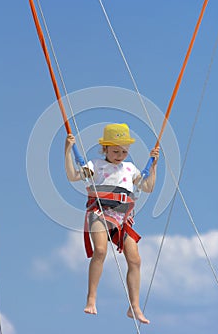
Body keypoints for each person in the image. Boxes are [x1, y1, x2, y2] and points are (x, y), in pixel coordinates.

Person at [65, 123, 159, 324]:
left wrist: (153, 166)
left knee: (135, 260)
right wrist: (67, 151)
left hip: (122, 219)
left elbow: (148, 187)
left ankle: (134, 307)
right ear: (105, 148)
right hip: (99, 213)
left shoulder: (130, 168)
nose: (120, 155)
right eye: (115, 151)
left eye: (124, 151)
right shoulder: (96, 165)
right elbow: (73, 176)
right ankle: (91, 298)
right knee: (100, 251)